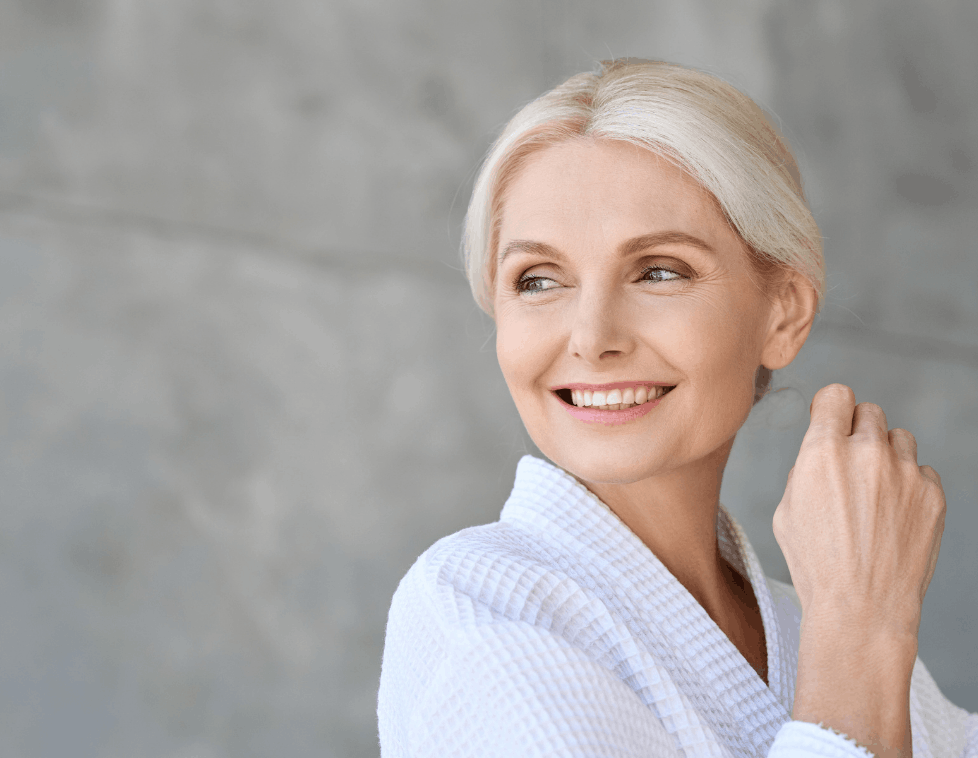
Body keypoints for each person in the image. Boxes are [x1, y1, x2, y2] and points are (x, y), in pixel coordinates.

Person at [377, 58, 975, 758]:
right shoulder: (477, 609)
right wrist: (861, 635)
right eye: (538, 280)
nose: (592, 337)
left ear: (782, 314)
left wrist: (855, 628)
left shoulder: (811, 622)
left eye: (659, 271)